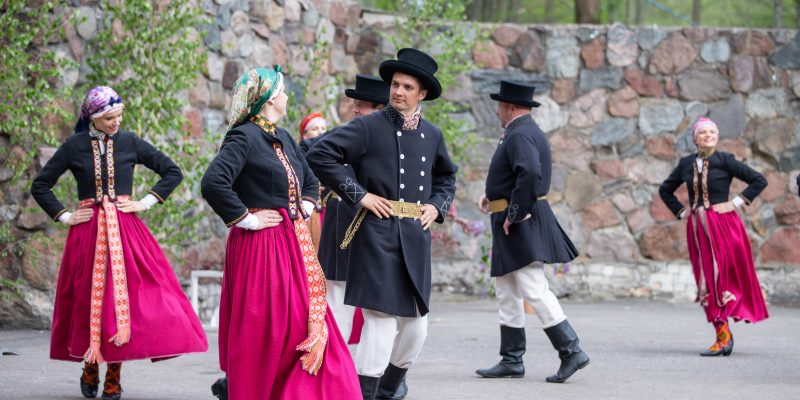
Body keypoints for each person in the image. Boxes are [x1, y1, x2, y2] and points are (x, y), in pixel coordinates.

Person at [30, 86, 208, 400]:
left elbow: (172, 171)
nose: (116, 122)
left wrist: (145, 202)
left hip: (125, 231)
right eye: (109, 118)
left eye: (119, 116)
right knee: (87, 298)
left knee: (125, 300)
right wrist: (65, 215)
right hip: (88, 233)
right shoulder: (74, 146)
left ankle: (113, 375)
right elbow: (41, 185)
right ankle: (90, 364)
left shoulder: (129, 142)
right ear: (93, 117)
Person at [201, 66, 360, 400]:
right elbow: (213, 182)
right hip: (261, 245)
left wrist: (306, 204)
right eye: (283, 91)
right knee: (269, 323)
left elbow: (310, 177)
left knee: (301, 318)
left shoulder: (283, 136)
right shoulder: (243, 137)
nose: (287, 96)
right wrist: (247, 218)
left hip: (292, 242)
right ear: (270, 98)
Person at [306, 49, 458, 399]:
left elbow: (446, 177)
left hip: (415, 237)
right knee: (380, 319)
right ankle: (364, 392)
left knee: (417, 327)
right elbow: (319, 154)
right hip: (375, 234)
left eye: (407, 87)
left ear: (422, 94)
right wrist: (359, 195)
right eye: (395, 85)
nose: (398, 91)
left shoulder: (433, 135)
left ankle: (388, 389)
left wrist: (436, 206)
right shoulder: (368, 126)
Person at [474, 81, 587, 384]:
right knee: (507, 290)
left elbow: (531, 173)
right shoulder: (522, 131)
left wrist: (514, 211)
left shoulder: (520, 133)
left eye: (500, 106)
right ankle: (511, 360)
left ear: (511, 107)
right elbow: (517, 173)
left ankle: (571, 351)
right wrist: (493, 196)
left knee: (533, 287)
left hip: (518, 222)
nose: (497, 111)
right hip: (510, 219)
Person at [659, 116, 768, 356]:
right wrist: (682, 212)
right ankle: (723, 336)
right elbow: (665, 190)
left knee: (724, 277)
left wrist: (734, 203)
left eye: (712, 132)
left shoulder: (725, 160)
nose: (708, 135)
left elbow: (759, 180)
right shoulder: (685, 164)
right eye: (703, 132)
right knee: (707, 278)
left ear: (717, 137)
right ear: (695, 139)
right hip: (698, 230)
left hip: (724, 226)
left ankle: (724, 336)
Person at [299, 74, 389, 346]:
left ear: (379, 108)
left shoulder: (396, 140)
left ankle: (376, 366)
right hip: (341, 226)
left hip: (375, 227)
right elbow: (307, 148)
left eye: (361, 104)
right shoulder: (347, 132)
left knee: (379, 309)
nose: (355, 109)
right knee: (336, 300)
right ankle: (335, 363)